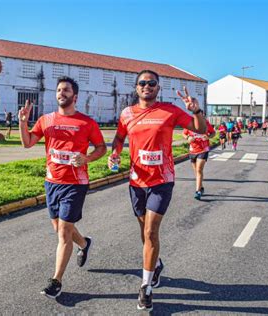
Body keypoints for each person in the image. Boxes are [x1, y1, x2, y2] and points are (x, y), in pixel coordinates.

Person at [108, 70, 206, 311]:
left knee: (151, 231)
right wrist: (115, 154)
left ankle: (146, 286)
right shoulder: (127, 113)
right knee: (144, 231)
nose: (147, 86)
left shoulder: (169, 111)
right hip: (136, 181)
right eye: (142, 83)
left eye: (151, 83)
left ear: (157, 88)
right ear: (137, 88)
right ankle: (156, 264)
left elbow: (201, 130)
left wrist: (196, 110)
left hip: (162, 180)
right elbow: (119, 138)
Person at [19, 76, 106, 299]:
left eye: (66, 90)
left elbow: (101, 148)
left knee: (64, 232)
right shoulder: (46, 119)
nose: (61, 93)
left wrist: (86, 159)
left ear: (74, 96)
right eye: (59, 90)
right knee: (59, 229)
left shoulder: (87, 123)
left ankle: (56, 281)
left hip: (75, 184)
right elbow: (28, 143)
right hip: (52, 182)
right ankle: (85, 244)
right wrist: (22, 122)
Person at [183, 111, 216, 200]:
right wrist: (188, 138)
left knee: (199, 170)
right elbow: (184, 133)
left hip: (203, 149)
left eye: (201, 115)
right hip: (192, 150)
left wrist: (208, 137)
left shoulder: (206, 123)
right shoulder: (190, 124)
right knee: (196, 172)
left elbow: (213, 133)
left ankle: (197, 191)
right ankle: (201, 187)